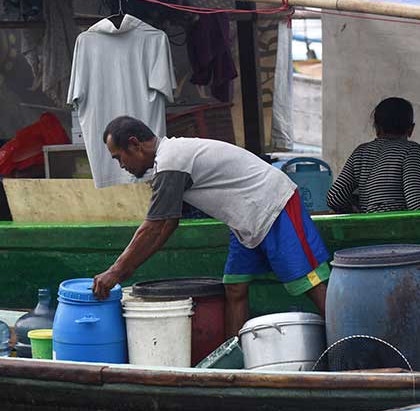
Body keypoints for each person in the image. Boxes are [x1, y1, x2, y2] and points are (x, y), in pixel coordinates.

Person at [91, 116, 331, 338]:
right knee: (235, 287)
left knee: (308, 281)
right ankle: (235, 356)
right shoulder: (166, 161)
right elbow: (166, 225)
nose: (121, 165)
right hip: (245, 219)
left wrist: (115, 272)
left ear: (135, 145)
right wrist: (126, 269)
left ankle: (346, 345)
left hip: (273, 204)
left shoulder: (171, 161)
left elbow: (153, 227)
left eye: (118, 157)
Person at [327, 97, 420, 214]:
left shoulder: (361, 152)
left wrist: (354, 210)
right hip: (398, 227)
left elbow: (334, 197)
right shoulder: (410, 150)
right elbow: (417, 206)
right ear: (411, 129)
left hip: (366, 227)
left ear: (377, 128)